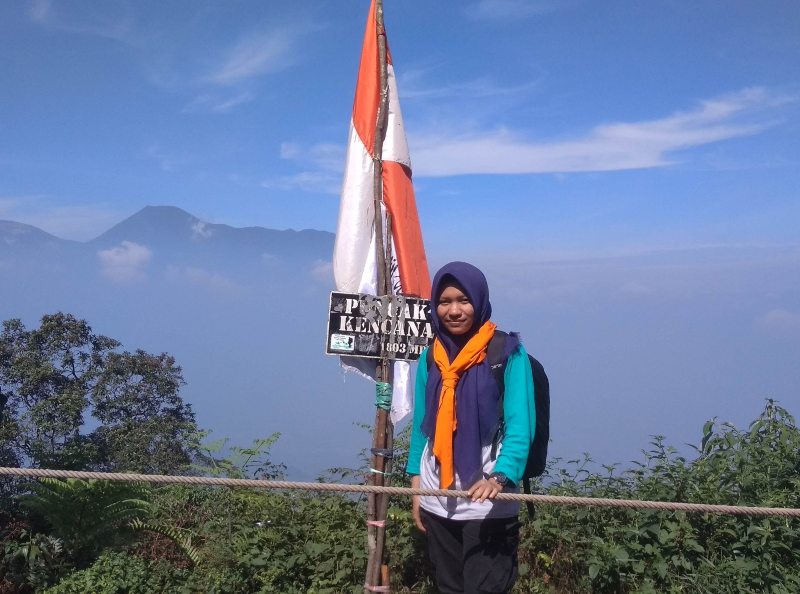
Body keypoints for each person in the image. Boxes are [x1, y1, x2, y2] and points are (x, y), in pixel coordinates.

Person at [407, 261, 535, 594]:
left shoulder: (507, 353)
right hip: (438, 496)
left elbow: (521, 424)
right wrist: (417, 488)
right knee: (449, 588)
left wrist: (500, 477)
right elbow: (422, 427)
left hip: (489, 500)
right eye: (444, 301)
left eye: (463, 300)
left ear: (479, 300)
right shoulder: (431, 357)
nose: (454, 311)